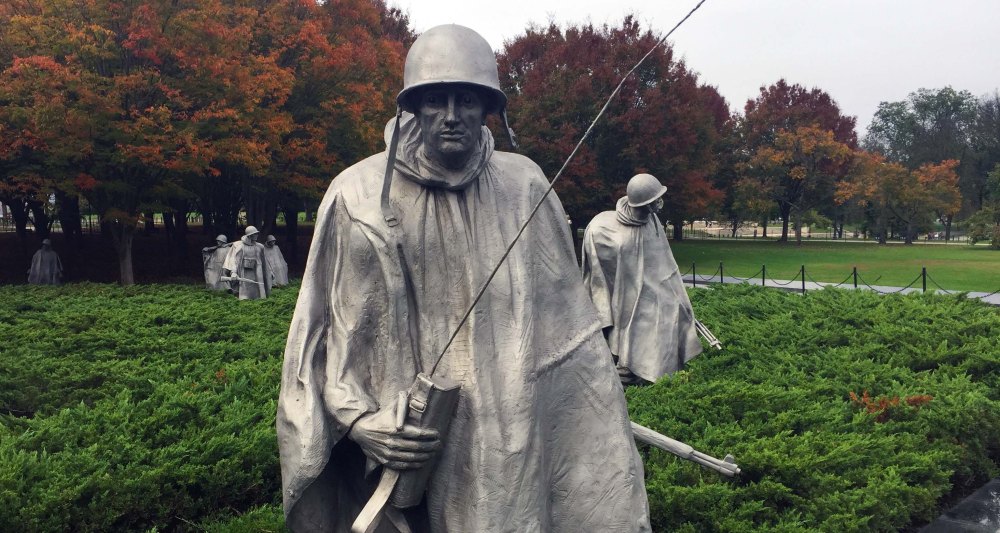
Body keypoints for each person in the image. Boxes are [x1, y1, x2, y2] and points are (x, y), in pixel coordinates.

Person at [277, 24, 650, 533]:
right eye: (436, 99)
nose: (451, 115)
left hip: (506, 439)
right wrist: (359, 421)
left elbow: (568, 335)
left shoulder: (525, 187)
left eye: (467, 100)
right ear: (413, 107)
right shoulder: (357, 196)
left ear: (487, 108)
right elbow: (324, 334)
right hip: (403, 440)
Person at [581, 173, 703, 385]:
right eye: (655, 199)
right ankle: (627, 368)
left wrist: (676, 294)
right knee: (634, 319)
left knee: (667, 313)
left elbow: (663, 260)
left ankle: (658, 370)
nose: (659, 202)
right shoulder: (606, 231)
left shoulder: (652, 221)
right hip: (626, 290)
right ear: (644, 203)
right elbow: (608, 272)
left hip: (653, 286)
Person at [222, 226, 272, 300]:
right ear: (250, 235)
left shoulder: (260, 247)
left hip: (257, 271)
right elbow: (234, 260)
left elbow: (265, 261)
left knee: (258, 288)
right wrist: (233, 272)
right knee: (245, 289)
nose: (257, 235)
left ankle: (260, 299)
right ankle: (245, 299)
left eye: (257, 234)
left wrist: (269, 272)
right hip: (244, 272)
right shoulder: (239, 246)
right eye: (255, 234)